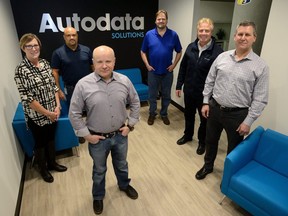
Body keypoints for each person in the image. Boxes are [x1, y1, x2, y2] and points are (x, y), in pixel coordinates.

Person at [69, 45, 140, 215]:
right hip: (97, 139)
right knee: (99, 170)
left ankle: (124, 185)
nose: (104, 65)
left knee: (122, 164)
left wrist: (130, 125)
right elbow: (74, 113)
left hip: (120, 135)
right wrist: (87, 136)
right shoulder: (83, 84)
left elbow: (135, 102)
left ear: (114, 62)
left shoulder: (124, 81)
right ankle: (98, 196)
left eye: (108, 61)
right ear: (93, 63)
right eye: (99, 61)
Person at [195, 21, 269, 180]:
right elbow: (210, 80)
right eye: (240, 34)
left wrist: (248, 121)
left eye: (247, 34)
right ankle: (208, 166)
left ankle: (228, 177)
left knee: (234, 149)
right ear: (235, 36)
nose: (243, 38)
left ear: (254, 38)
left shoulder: (260, 66)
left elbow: (260, 99)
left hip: (237, 115)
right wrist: (206, 101)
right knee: (210, 141)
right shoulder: (222, 57)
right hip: (214, 109)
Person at [14, 33, 67, 183]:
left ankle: (52, 163)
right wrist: (47, 113)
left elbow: (53, 87)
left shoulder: (44, 63)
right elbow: (28, 99)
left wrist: (57, 106)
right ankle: (43, 169)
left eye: (35, 45)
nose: (33, 48)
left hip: (53, 111)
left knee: (51, 138)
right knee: (40, 142)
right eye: (29, 46)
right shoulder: (21, 70)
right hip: (36, 116)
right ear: (23, 48)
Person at [175, 18, 223, 155]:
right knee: (188, 115)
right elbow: (183, 67)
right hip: (189, 90)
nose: (203, 33)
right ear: (197, 31)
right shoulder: (191, 47)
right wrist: (179, 85)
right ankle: (188, 135)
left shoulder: (218, 52)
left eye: (206, 30)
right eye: (201, 30)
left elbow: (218, 77)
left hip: (205, 96)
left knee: (204, 121)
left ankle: (202, 142)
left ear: (211, 31)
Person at [51, 27, 94, 143]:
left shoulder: (86, 50)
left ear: (77, 36)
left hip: (89, 87)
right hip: (71, 88)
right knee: (76, 113)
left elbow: (93, 66)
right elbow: (55, 71)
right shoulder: (58, 53)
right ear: (64, 37)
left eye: (74, 35)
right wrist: (58, 89)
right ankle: (80, 133)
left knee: (92, 109)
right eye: (68, 35)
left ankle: (92, 129)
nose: (71, 37)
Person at [141, 9, 182, 126]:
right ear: (155, 20)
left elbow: (179, 51)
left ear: (167, 21)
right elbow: (142, 51)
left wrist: (174, 65)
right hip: (153, 72)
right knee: (152, 95)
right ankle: (152, 113)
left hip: (167, 72)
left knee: (166, 95)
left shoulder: (173, 35)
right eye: (159, 19)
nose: (161, 21)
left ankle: (164, 114)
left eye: (163, 19)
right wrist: (147, 65)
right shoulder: (149, 35)